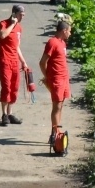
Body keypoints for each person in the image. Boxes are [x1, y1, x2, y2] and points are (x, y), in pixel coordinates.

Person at [39, 16, 72, 151]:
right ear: (64, 30)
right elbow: (42, 62)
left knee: (60, 106)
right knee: (56, 107)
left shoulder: (62, 43)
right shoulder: (52, 42)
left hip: (64, 79)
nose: (70, 33)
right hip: (57, 79)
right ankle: (54, 133)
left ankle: (56, 131)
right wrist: (47, 77)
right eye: (69, 31)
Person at [0, 4, 30, 126]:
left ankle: (10, 113)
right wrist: (12, 24)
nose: (22, 17)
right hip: (4, 59)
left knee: (14, 86)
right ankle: (4, 114)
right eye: (20, 15)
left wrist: (23, 61)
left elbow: (17, 47)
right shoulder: (4, 23)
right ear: (14, 14)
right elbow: (3, 35)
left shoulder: (19, 29)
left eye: (23, 15)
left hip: (14, 60)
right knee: (6, 86)